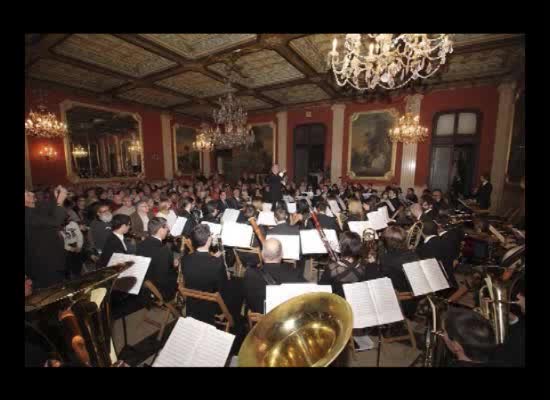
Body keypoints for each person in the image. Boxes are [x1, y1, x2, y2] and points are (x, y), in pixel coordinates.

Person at [181, 224, 236, 324]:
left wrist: (213, 258)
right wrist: (225, 273)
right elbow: (222, 287)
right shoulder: (217, 263)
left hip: (192, 302)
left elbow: (200, 267)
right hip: (212, 304)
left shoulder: (185, 259)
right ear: (209, 240)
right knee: (235, 286)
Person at [243, 238, 305, 313]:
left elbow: (248, 298)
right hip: (282, 316)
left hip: (259, 315)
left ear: (262, 254)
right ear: (282, 254)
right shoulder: (295, 275)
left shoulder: (249, 273)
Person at [25, 186, 68, 288]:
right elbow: (56, 221)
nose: (32, 194)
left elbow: (49, 206)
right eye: (27, 194)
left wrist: (56, 195)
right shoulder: (27, 215)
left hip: (53, 258)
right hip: (44, 263)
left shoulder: (35, 208)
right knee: (51, 291)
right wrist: (60, 201)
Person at [320, 232, 382, 297]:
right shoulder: (365, 266)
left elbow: (322, 289)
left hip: (339, 302)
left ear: (342, 247)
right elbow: (374, 284)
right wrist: (373, 265)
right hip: (359, 300)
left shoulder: (331, 268)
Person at [379, 225, 420, 317]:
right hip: (414, 299)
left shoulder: (386, 259)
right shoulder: (413, 254)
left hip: (401, 303)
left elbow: (385, 282)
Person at [136, 217, 178, 301]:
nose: (168, 230)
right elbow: (166, 275)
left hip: (145, 288)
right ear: (160, 230)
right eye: (167, 227)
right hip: (161, 290)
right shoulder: (164, 250)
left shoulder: (140, 245)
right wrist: (174, 265)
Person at [416, 220, 458, 290]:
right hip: (452, 282)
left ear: (421, 232)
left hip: (437, 286)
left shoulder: (423, 249)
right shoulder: (447, 241)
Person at [61, 214, 84, 279]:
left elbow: (79, 235)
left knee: (78, 265)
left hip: (76, 244)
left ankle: (78, 276)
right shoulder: (58, 228)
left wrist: (79, 246)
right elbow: (60, 242)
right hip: (66, 248)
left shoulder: (73, 224)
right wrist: (70, 248)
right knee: (67, 265)